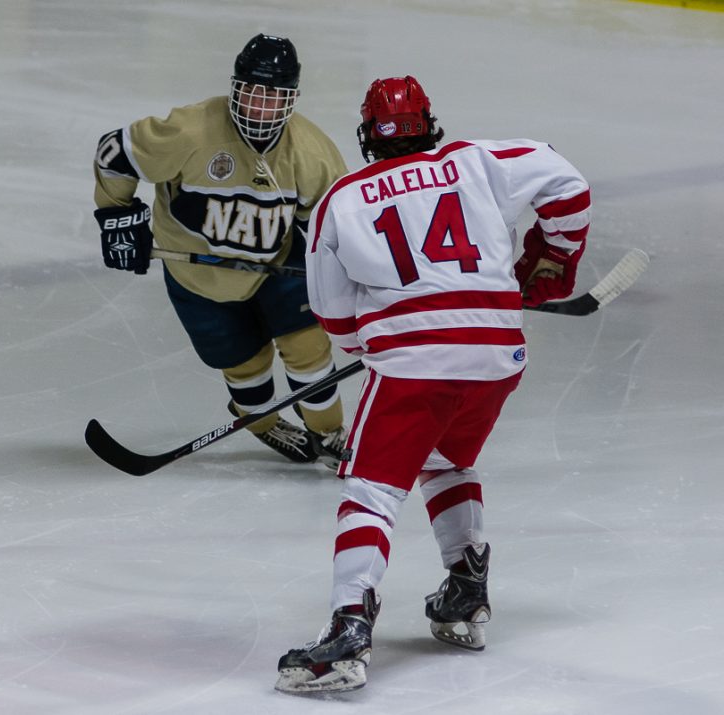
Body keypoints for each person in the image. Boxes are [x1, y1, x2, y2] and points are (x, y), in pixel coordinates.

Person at [274, 75, 591, 693]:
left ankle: (348, 629)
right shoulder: (477, 162)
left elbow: (332, 310)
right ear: (430, 126)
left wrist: (372, 345)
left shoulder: (343, 197)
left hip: (414, 367)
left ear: (368, 136)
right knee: (446, 461)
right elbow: (567, 183)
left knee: (369, 488)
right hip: (498, 356)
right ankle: (465, 592)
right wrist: (549, 261)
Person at [92, 34, 349, 467]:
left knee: (308, 348)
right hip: (198, 278)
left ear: (291, 100)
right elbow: (114, 154)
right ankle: (264, 423)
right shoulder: (189, 131)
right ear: (235, 87)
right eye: (252, 93)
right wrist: (117, 218)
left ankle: (329, 434)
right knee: (244, 365)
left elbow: (335, 225)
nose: (260, 108)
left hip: (276, 266)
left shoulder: (312, 153)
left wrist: (333, 267)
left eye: (273, 97)